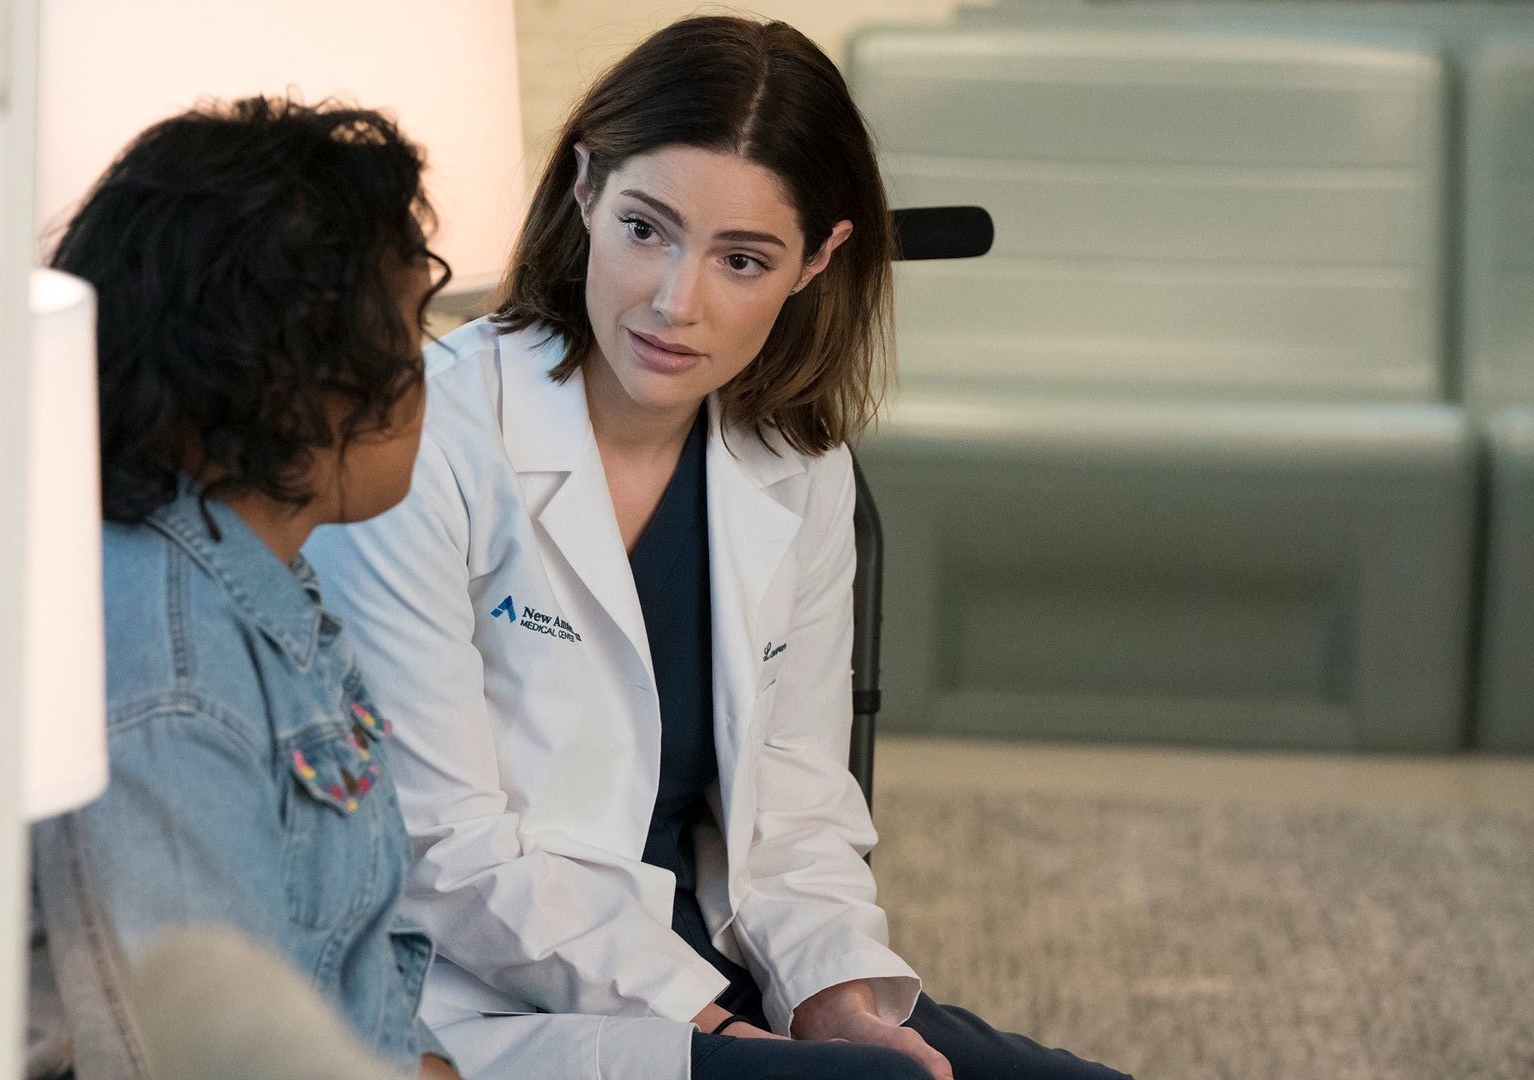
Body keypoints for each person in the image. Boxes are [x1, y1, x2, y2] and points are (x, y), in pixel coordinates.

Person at [304, 16, 1132, 1080]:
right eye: (646, 229)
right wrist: (719, 1031)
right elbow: (439, 847)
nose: (674, 301)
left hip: (715, 957)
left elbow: (795, 807)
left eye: (742, 259)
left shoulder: (795, 462)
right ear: (585, 188)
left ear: (817, 260)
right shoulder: (426, 442)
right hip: (491, 987)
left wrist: (835, 1002)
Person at [25, 97, 459, 1080]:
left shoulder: (260, 589)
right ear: (299, 374)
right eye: (410, 330)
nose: (424, 371)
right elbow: (198, 1049)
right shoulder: (166, 662)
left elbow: (355, 974)